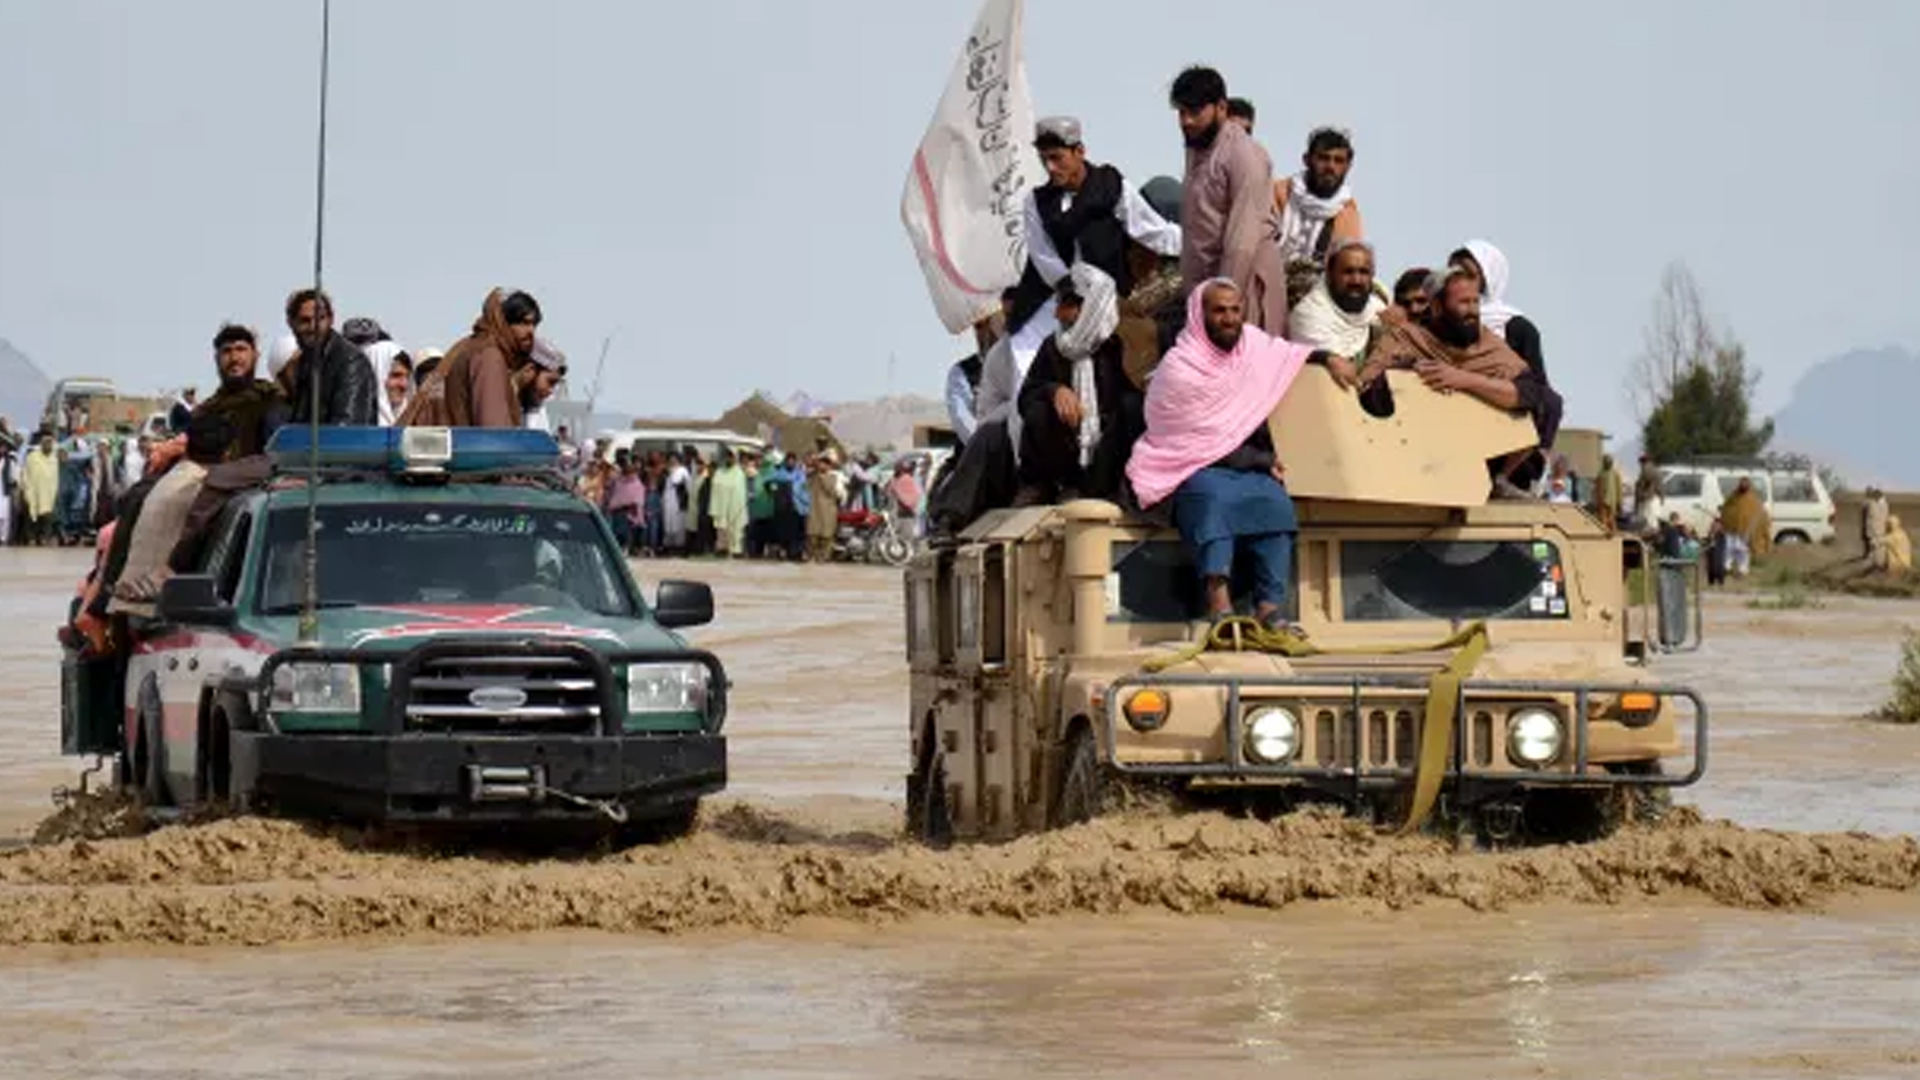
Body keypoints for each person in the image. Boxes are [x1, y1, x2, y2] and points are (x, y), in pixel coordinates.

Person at [1127, 279, 1346, 630]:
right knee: (1212, 499)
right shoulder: (1179, 367)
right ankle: (1221, 608)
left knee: (1275, 501)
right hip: (1191, 465)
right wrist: (1259, 461)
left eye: (1235, 309)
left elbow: (1292, 354)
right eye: (1219, 310)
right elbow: (1199, 440)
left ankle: (1269, 608)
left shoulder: (1254, 346)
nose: (1229, 318)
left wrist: (1330, 358)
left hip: (1247, 466)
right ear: (1200, 315)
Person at [1356, 265, 1563, 495]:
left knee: (1547, 402)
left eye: (1475, 302)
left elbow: (1529, 393)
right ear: (1437, 306)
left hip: (1480, 457)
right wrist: (1412, 371)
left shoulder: (1488, 344)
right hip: (1412, 453)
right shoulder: (1407, 338)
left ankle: (1501, 479)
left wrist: (1464, 380)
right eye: (1463, 303)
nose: (1472, 311)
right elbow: (1366, 386)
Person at [1006, 116, 1182, 369]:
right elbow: (1043, 256)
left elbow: (1151, 230)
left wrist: (1199, 244)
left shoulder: (1111, 185)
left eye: (1057, 158)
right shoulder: (1036, 202)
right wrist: (1069, 293)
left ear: (1079, 151)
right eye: (1044, 160)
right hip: (1053, 301)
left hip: (1108, 302)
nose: (1051, 167)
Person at [1171, 66, 1287, 335]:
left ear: (1221, 107)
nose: (1186, 121)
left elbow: (1242, 239)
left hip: (1242, 285)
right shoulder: (1198, 146)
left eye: (1195, 112)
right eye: (1181, 112)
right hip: (1207, 287)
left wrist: (1223, 302)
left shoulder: (1244, 154)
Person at [1014, 266, 1131, 504]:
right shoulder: (1054, 345)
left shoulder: (1124, 340)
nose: (1057, 315)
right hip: (1070, 452)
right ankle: (1055, 485)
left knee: (1131, 407)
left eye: (1065, 306)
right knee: (1039, 408)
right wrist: (1054, 390)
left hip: (1114, 451)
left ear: (1090, 307)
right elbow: (1026, 395)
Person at [109, 414, 232, 618]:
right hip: (153, 607)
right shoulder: (202, 486)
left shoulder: (172, 478)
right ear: (228, 453)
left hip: (129, 601)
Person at [400, 289, 541, 428]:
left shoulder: (472, 346)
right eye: (523, 323)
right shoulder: (488, 355)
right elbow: (495, 434)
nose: (531, 332)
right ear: (502, 322)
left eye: (534, 324)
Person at [1274, 127, 1365, 308]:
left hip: (1316, 302)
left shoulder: (1348, 214)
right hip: (1268, 286)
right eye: (1324, 158)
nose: (1330, 167)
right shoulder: (1278, 193)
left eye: (1338, 161)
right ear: (1307, 160)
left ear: (1348, 166)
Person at [279, 289, 378, 426]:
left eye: (320, 318)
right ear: (291, 322)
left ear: (331, 319)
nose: (313, 327)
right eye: (305, 320)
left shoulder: (350, 361)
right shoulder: (306, 361)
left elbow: (346, 427)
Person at [1449, 241, 1545, 377]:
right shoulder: (1436, 321)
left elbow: (1537, 392)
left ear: (1489, 279)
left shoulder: (1516, 328)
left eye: (1468, 274)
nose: (1459, 281)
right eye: (1452, 273)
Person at [196, 324, 288, 460]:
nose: (234, 358)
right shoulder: (205, 411)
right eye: (227, 351)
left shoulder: (272, 400)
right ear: (217, 359)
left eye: (241, 349)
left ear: (255, 355)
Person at [1286, 238, 1385, 355]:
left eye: (1363, 272)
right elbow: (1339, 369)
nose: (1356, 280)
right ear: (1330, 275)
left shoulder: (1378, 309)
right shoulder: (1309, 315)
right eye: (1348, 272)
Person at [1718, 477, 1770, 578]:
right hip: (1731, 528)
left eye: (1745, 484)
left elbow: (1760, 512)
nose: (1743, 485)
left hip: (1745, 529)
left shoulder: (1753, 498)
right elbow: (1726, 507)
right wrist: (1723, 518)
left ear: (1748, 485)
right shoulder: (1733, 496)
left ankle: (1742, 570)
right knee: (1729, 548)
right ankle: (1726, 567)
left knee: (1743, 550)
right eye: (1742, 483)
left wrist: (1758, 526)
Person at [708, 448, 749, 557]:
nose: (729, 459)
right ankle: (722, 548)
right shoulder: (719, 472)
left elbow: (739, 490)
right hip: (721, 505)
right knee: (721, 527)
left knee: (735, 527)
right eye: (727, 457)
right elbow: (715, 487)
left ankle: (736, 550)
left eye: (731, 457)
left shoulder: (739, 473)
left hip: (735, 505)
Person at [806, 451, 845, 562]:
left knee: (826, 536)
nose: (821, 465)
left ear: (829, 466)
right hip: (814, 509)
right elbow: (805, 481)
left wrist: (822, 477)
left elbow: (833, 492)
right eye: (820, 463)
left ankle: (823, 557)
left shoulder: (834, 477)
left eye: (824, 464)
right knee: (812, 534)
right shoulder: (813, 475)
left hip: (828, 510)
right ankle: (811, 556)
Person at [521, 339, 566, 432]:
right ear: (530, 371)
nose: (551, 391)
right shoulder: (503, 405)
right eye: (550, 382)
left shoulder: (539, 412)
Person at [22, 433, 59, 546]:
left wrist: (54, 491)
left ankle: (44, 538)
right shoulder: (32, 456)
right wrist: (25, 488)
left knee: (47, 517)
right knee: (31, 516)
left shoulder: (54, 459)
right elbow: (25, 473)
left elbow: (55, 477)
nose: (48, 446)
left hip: (48, 492)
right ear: (41, 444)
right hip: (33, 490)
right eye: (46, 443)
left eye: (50, 443)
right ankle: (31, 537)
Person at [604, 456, 647, 554]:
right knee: (616, 531)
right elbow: (611, 492)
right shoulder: (617, 480)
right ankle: (618, 549)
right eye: (626, 466)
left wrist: (636, 506)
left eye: (630, 467)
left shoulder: (637, 482)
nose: (628, 469)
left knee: (626, 532)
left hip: (629, 510)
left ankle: (626, 548)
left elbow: (639, 496)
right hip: (616, 510)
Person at [1593, 454, 1624, 532]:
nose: (1608, 462)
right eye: (1606, 461)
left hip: (1612, 501)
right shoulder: (1600, 474)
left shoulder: (1615, 474)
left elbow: (1619, 489)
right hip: (1602, 501)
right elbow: (1597, 488)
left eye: (1609, 461)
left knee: (1612, 521)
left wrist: (1619, 502)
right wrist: (1596, 501)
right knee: (1603, 521)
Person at [1863, 486, 1891, 569]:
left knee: (1880, 548)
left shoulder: (1884, 505)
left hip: (1880, 530)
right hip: (1874, 530)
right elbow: (1869, 518)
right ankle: (1873, 565)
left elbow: (1885, 517)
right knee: (1873, 548)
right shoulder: (1871, 504)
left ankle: (1879, 565)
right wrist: (1868, 530)